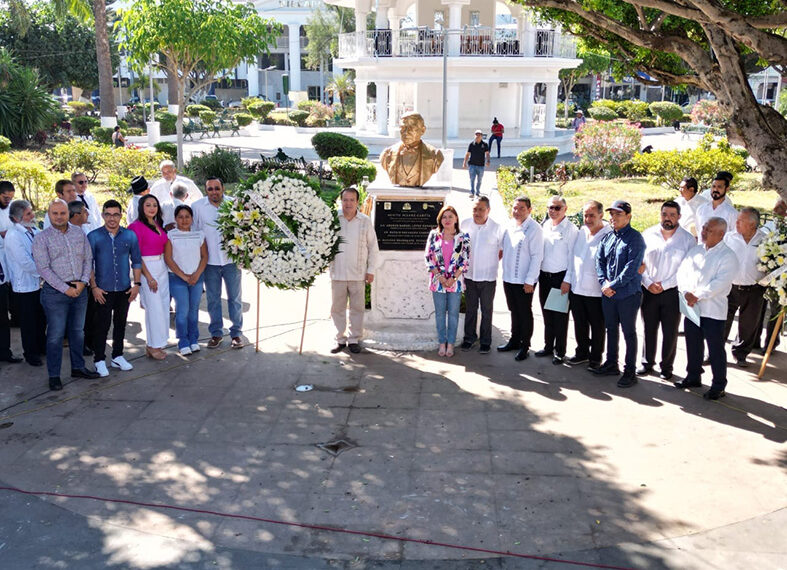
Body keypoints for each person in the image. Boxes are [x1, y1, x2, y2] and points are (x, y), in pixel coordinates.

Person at [32, 200, 99, 391]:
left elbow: (88, 259)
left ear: (68, 213)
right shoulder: (41, 238)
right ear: (49, 214)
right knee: (55, 335)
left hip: (80, 289)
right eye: (55, 213)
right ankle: (54, 375)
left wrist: (83, 282)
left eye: (62, 213)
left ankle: (78, 367)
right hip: (55, 293)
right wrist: (65, 288)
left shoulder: (79, 233)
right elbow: (43, 269)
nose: (59, 216)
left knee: (78, 332)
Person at [676, 218, 738, 400]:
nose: (703, 232)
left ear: (720, 234)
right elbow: (682, 272)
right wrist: (686, 291)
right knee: (692, 344)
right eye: (703, 228)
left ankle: (719, 385)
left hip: (713, 309)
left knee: (715, 349)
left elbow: (720, 282)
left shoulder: (728, 256)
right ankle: (693, 376)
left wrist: (698, 295)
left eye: (708, 230)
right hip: (692, 307)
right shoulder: (695, 251)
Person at [638, 200, 695, 380]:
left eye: (672, 215)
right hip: (649, 290)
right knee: (649, 328)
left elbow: (687, 268)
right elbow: (640, 263)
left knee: (670, 331)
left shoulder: (687, 240)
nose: (667, 218)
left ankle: (666, 367)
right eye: (664, 214)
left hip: (672, 292)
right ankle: (647, 363)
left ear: (679, 217)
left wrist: (665, 284)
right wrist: (648, 282)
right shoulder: (648, 234)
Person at [594, 200, 646, 387]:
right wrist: (603, 283)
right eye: (612, 214)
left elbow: (631, 268)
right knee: (611, 329)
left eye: (619, 214)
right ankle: (611, 363)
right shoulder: (608, 237)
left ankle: (630, 371)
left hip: (628, 295)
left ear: (628, 216)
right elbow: (599, 261)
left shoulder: (635, 239)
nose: (614, 218)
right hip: (608, 294)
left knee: (629, 332)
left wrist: (613, 285)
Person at [88, 200, 142, 376]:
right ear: (103, 215)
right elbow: (88, 264)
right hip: (103, 290)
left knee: (121, 324)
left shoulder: (129, 236)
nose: (112, 218)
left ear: (121, 215)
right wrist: (94, 287)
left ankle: (118, 356)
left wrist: (137, 285)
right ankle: (99, 360)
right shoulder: (94, 236)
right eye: (108, 214)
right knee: (101, 326)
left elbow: (136, 261)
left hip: (124, 289)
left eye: (116, 214)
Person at [192, 178, 244, 349]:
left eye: (217, 188)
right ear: (205, 190)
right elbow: (194, 232)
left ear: (223, 188)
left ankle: (236, 333)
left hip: (231, 261)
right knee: (213, 300)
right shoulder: (198, 207)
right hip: (210, 262)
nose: (214, 192)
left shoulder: (234, 205)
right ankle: (216, 333)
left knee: (234, 299)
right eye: (210, 189)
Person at [329, 187, 379, 354]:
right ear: (341, 201)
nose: (348, 203)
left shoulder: (365, 221)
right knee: (337, 308)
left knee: (357, 308)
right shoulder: (333, 219)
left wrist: (371, 269)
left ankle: (354, 339)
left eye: (352, 200)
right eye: (345, 200)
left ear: (357, 202)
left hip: (358, 274)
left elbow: (373, 247)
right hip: (338, 273)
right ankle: (340, 339)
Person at [565, 201, 612, 369]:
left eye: (592, 215)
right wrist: (567, 279)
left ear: (601, 215)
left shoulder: (609, 235)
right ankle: (582, 352)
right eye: (585, 215)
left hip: (596, 291)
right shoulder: (581, 232)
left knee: (598, 326)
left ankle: (595, 357)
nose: (588, 219)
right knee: (580, 323)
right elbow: (572, 257)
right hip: (577, 288)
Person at [499, 196, 544, 361]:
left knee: (524, 312)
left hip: (525, 280)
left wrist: (530, 280)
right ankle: (514, 340)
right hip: (509, 277)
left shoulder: (534, 229)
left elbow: (537, 256)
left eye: (521, 209)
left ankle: (525, 346)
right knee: (513, 310)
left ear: (529, 210)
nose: (517, 212)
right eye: (515, 208)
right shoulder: (509, 225)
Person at [425, 205, 470, 357]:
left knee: (453, 314)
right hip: (438, 282)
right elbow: (429, 258)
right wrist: (441, 277)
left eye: (450, 216)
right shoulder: (433, 235)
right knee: (439, 314)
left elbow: (465, 261)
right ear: (440, 220)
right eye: (444, 217)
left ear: (456, 218)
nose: (447, 219)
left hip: (455, 283)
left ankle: (450, 343)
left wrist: (453, 278)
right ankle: (441, 343)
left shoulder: (463, 238)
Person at [723, 208, 766, 367]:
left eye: (740, 221)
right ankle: (715, 351)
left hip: (754, 289)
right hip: (730, 287)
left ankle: (741, 353)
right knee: (722, 320)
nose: (736, 223)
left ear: (752, 224)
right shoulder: (729, 237)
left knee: (748, 324)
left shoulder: (764, 240)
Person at [4, 200, 45, 367]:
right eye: (28, 214)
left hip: (39, 283)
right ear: (17, 218)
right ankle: (31, 353)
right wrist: (45, 272)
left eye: (31, 211)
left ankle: (41, 347)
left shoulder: (33, 230)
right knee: (28, 322)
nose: (33, 215)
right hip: (25, 285)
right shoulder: (14, 236)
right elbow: (25, 262)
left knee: (41, 319)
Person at [128, 195, 170, 360]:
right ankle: (153, 345)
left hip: (162, 266)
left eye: (154, 205)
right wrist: (149, 277)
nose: (152, 208)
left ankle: (157, 343)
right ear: (141, 207)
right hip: (147, 268)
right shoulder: (135, 227)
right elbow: (136, 256)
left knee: (164, 306)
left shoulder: (158, 224)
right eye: (148, 205)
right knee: (154, 309)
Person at [461, 196, 503, 354]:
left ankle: (485, 341)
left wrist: (488, 262)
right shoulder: (465, 224)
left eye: (480, 209)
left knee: (487, 310)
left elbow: (501, 251)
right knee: (471, 309)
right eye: (475, 209)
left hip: (488, 277)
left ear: (488, 210)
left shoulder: (496, 228)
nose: (477, 212)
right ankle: (469, 338)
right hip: (470, 276)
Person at [164, 205, 207, 355]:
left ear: (192, 218)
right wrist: (183, 276)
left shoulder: (199, 235)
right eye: (180, 217)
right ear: (175, 219)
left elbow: (204, 257)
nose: (184, 220)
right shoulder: (171, 235)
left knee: (194, 310)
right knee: (182, 310)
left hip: (196, 277)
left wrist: (196, 274)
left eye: (187, 216)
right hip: (177, 278)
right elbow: (168, 258)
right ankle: (183, 340)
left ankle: (194, 339)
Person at [540, 196, 578, 364]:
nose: (553, 211)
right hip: (545, 277)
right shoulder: (545, 225)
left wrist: (567, 280)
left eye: (557, 208)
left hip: (560, 277)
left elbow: (573, 257)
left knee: (559, 317)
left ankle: (560, 351)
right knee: (547, 314)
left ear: (565, 209)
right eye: (550, 207)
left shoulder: (571, 229)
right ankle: (548, 346)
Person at [379, 112, 444, 187]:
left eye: (411, 128)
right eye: (403, 128)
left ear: (423, 130)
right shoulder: (387, 154)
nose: (406, 132)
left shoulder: (435, 155)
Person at [462, 130, 490, 198]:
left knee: (479, 180)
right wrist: (464, 162)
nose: (477, 136)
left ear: (481, 136)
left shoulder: (485, 144)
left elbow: (487, 154)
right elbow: (467, 154)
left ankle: (478, 192)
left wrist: (488, 161)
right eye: (476, 134)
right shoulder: (472, 144)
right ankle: (472, 192)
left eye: (479, 135)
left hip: (481, 165)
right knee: (472, 179)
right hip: (472, 165)